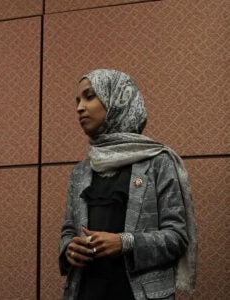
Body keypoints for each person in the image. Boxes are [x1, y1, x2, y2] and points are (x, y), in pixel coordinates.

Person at [58, 69, 197, 300]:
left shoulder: (158, 162)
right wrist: (69, 248)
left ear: (116, 101)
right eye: (78, 100)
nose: (80, 107)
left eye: (89, 96)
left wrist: (125, 243)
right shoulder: (80, 171)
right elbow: (68, 231)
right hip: (86, 292)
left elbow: (177, 237)